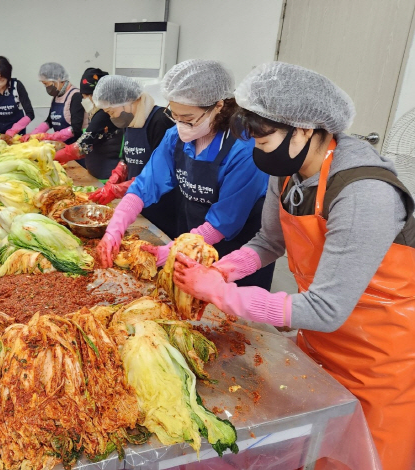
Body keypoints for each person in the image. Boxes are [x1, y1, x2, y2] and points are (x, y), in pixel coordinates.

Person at [171, 62, 415, 470]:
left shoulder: (363, 193)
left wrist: (222, 295)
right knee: (309, 449)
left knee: (359, 459)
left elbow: (326, 308)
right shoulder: (287, 168)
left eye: (264, 143)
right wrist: (224, 269)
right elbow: (269, 241)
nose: (259, 154)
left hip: (379, 360)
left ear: (305, 128)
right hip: (320, 343)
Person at [97, 60, 273, 289]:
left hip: (235, 248)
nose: (180, 125)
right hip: (191, 234)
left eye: (188, 119)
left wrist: (170, 251)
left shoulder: (244, 149)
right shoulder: (175, 137)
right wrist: (115, 229)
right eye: (175, 116)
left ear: (219, 106)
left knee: (228, 312)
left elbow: (224, 222)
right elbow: (145, 184)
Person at [88, 74, 176, 238]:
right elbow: (126, 158)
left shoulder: (160, 121)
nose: (111, 117)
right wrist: (116, 177)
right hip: (138, 203)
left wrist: (118, 189)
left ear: (127, 101)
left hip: (162, 208)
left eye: (111, 111)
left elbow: (162, 174)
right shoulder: (130, 121)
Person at [53, 68, 124, 180]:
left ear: (97, 96)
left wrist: (50, 157)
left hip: (107, 177)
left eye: (86, 95)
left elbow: (80, 147)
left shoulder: (103, 114)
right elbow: (90, 143)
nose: (84, 99)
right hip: (97, 173)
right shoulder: (97, 113)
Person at [24, 62, 86, 144]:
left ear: (58, 79)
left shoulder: (76, 96)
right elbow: (49, 121)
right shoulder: (56, 97)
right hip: (61, 146)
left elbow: (75, 128)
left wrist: (51, 137)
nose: (46, 87)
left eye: (46, 84)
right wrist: (33, 135)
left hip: (75, 148)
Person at [0, 56, 34, 136]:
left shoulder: (17, 86)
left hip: (17, 133)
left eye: (1, 78)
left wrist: (14, 129)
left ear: (7, 75)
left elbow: (30, 114)